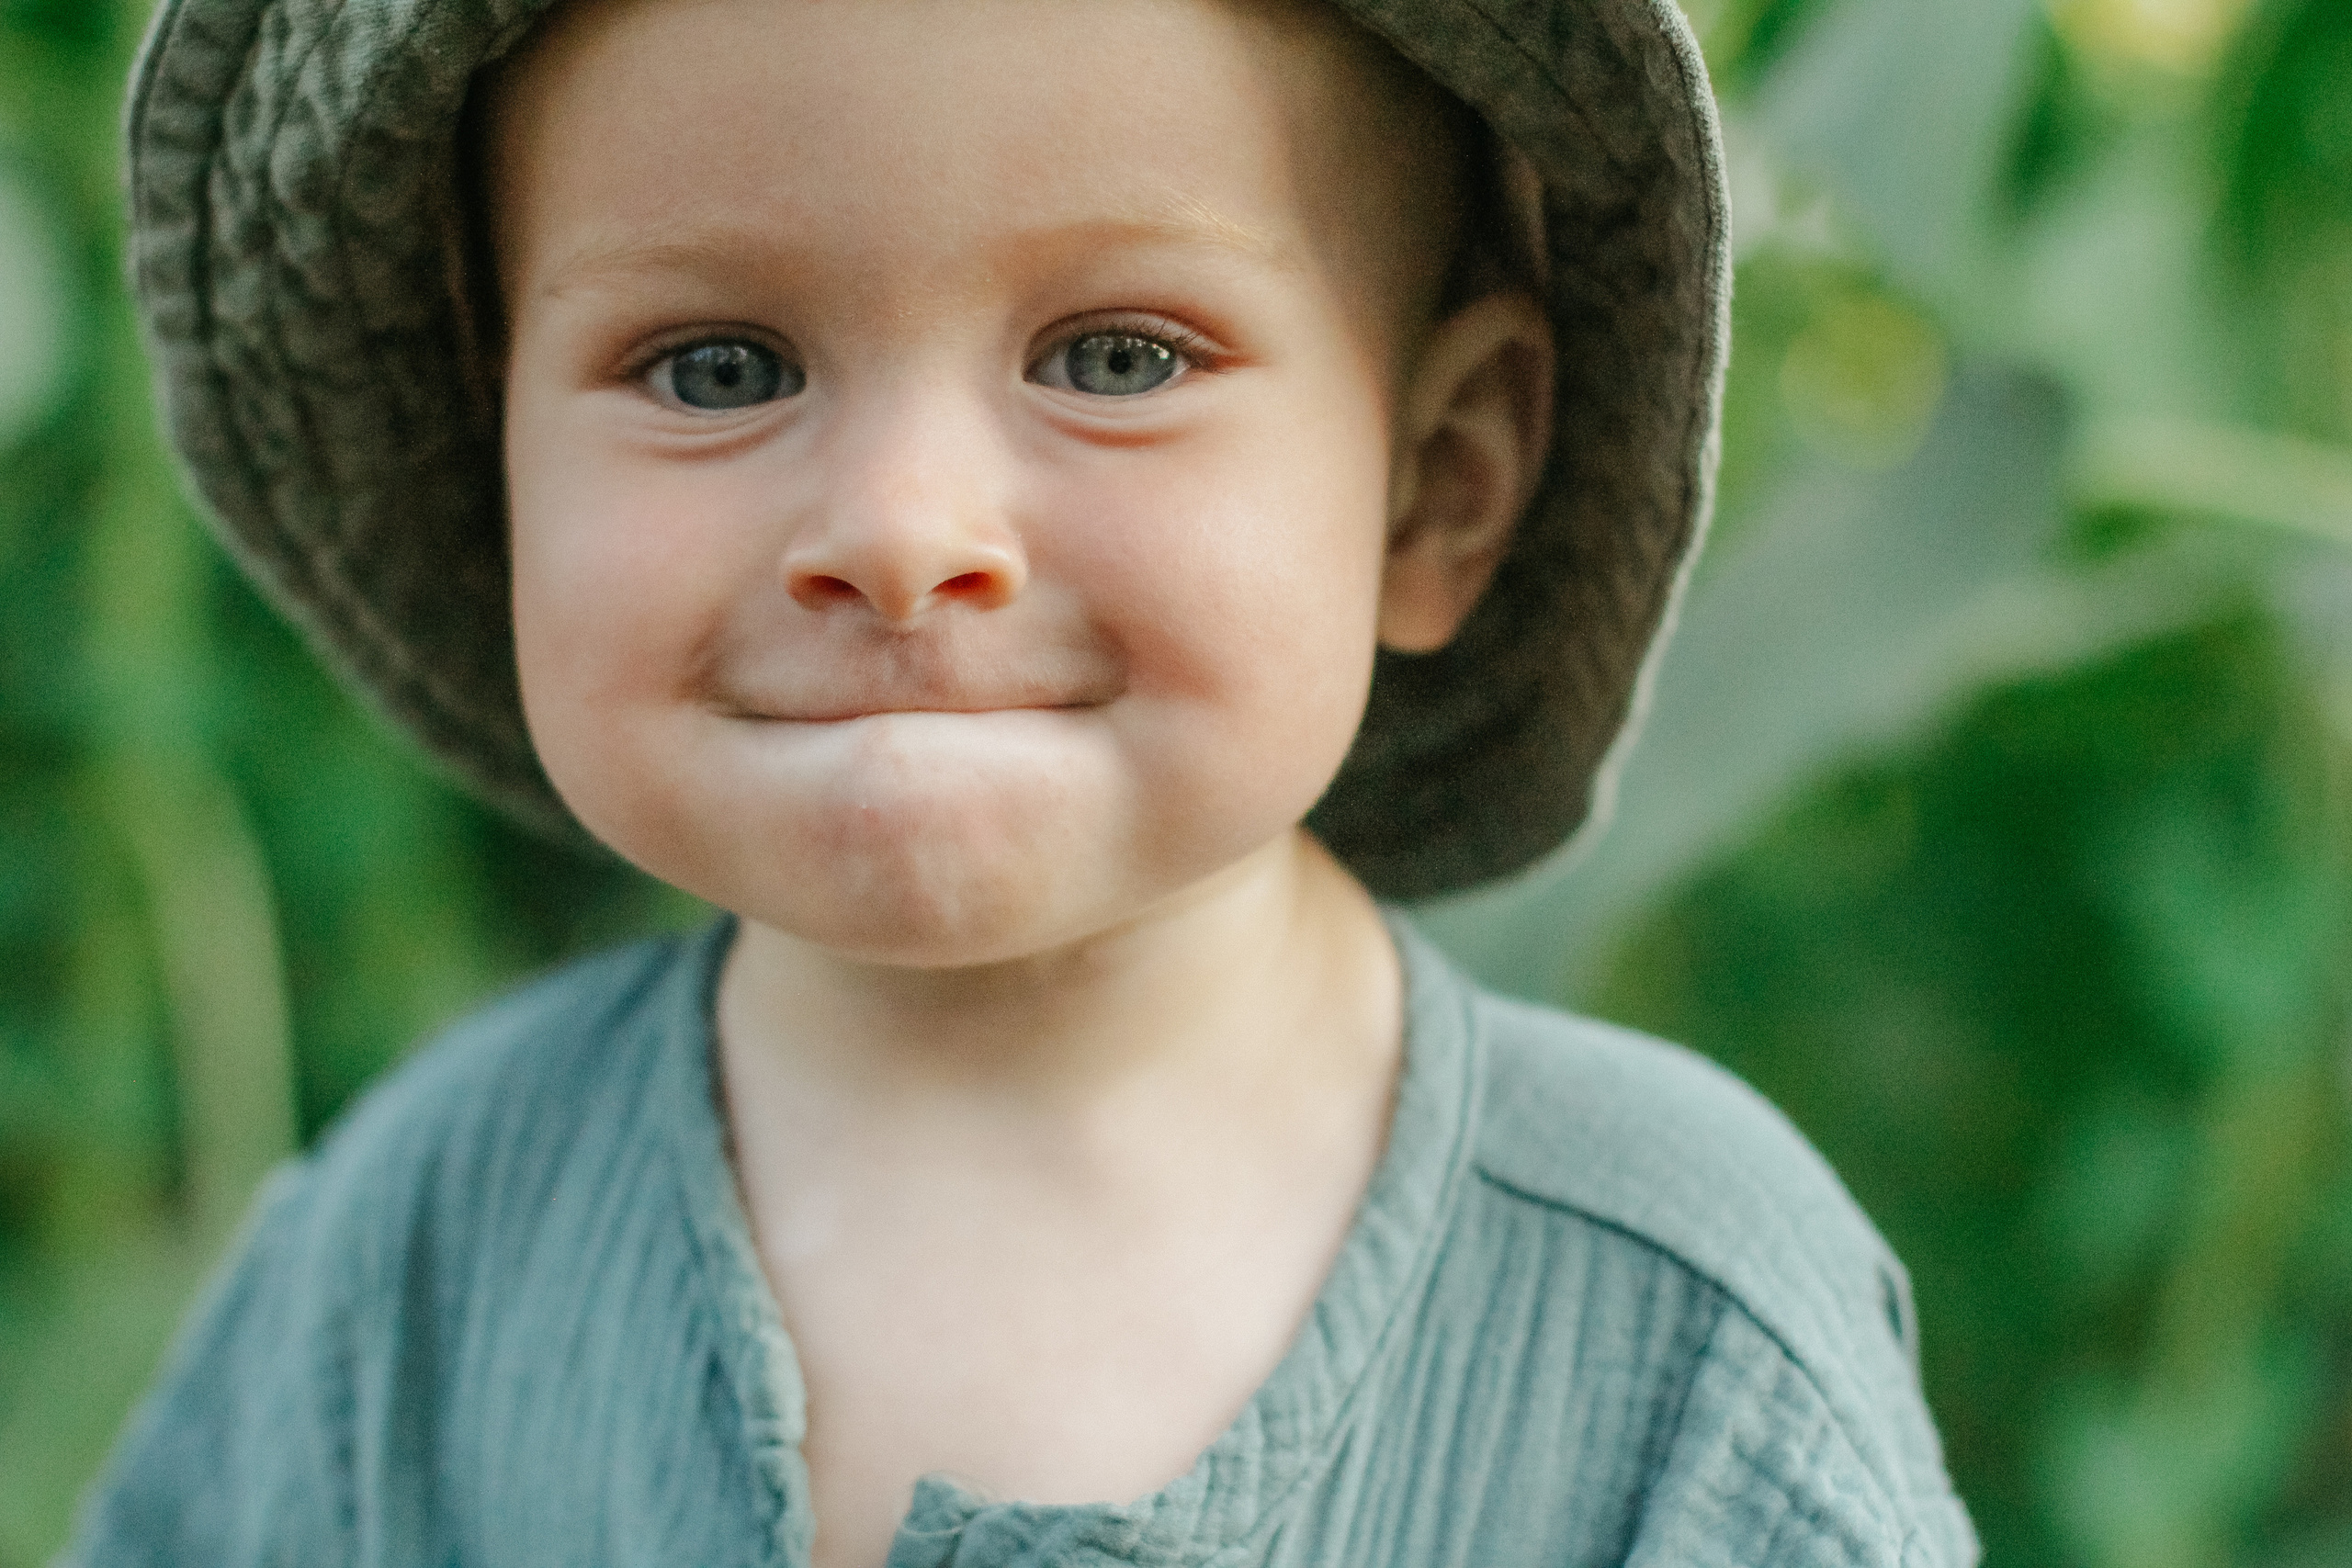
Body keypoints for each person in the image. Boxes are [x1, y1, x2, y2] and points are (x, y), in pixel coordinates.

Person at [73, 0, 1977, 1562]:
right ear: (506, 470)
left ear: (1438, 479)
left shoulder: (1671, 1333)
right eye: (718, 366)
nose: (899, 533)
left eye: (1115, 351)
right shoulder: (414, 1257)